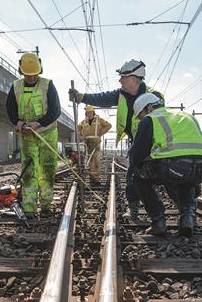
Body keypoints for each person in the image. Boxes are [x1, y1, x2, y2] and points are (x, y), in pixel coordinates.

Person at [69, 60, 164, 218]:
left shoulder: (154, 97)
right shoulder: (121, 95)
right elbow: (102, 98)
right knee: (133, 174)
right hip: (137, 141)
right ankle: (134, 210)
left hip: (155, 143)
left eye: (123, 77)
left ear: (134, 79)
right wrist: (82, 97)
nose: (120, 80)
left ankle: (183, 212)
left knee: (161, 176)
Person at [129, 93, 202, 237]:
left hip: (176, 167)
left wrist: (138, 168)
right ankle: (187, 219)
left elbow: (137, 154)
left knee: (138, 177)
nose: (141, 119)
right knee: (185, 180)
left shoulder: (151, 119)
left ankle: (158, 222)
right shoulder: (187, 116)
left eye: (141, 115)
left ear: (149, 108)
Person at [6, 52, 61, 218]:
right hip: (28, 135)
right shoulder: (15, 87)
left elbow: (55, 110)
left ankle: (45, 203)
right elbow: (10, 108)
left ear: (40, 70)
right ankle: (29, 207)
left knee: (48, 168)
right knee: (29, 170)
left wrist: (39, 123)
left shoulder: (48, 85)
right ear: (21, 71)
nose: (30, 78)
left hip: (47, 134)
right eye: (27, 75)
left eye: (33, 74)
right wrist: (18, 122)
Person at [78, 105, 111, 185]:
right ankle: (92, 179)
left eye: (90, 112)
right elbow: (78, 128)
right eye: (88, 112)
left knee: (96, 162)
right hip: (87, 144)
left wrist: (100, 133)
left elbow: (108, 125)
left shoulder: (99, 120)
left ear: (93, 112)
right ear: (86, 113)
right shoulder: (83, 122)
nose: (89, 114)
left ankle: (96, 180)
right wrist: (81, 136)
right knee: (90, 162)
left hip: (96, 143)